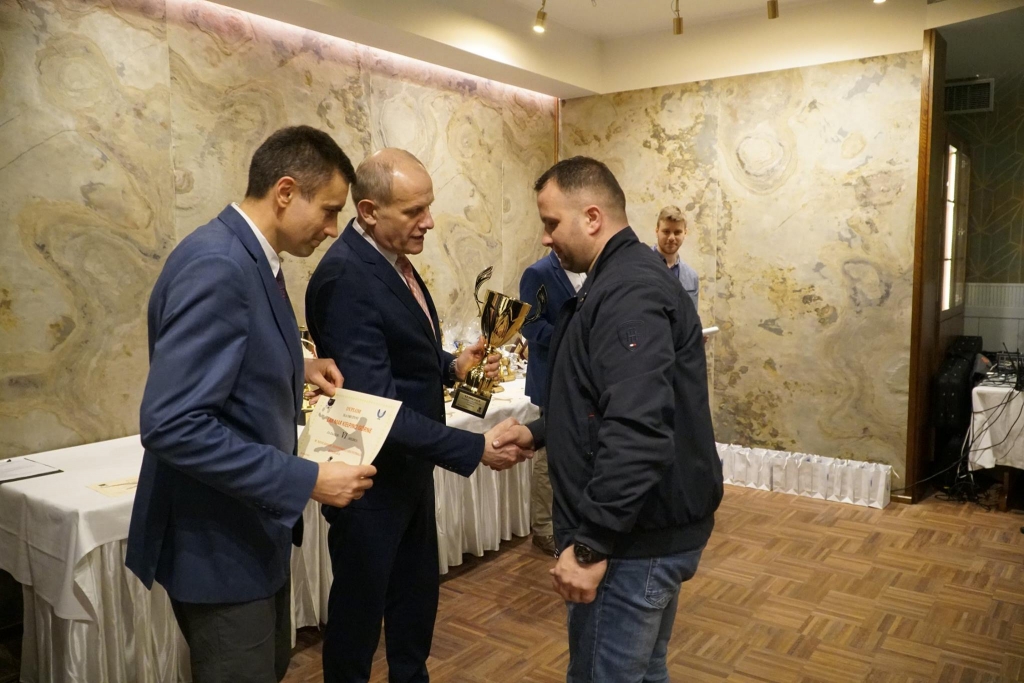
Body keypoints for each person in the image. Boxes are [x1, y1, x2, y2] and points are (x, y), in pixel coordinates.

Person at [126, 126, 377, 683]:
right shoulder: (218, 264)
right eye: (330, 211)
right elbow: (173, 425)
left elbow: (234, 352)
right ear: (285, 192)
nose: (333, 230)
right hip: (217, 543)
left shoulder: (252, 256)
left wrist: (298, 365)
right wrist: (308, 479)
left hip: (249, 528)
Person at [305, 148, 531, 683]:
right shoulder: (345, 277)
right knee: (359, 618)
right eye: (414, 211)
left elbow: (404, 353)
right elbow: (376, 406)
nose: (428, 221)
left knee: (414, 601)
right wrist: (475, 447)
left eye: (428, 206)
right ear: (368, 211)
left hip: (408, 473)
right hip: (368, 483)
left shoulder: (391, 259)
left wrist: (452, 365)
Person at [493, 156, 723, 682]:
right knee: (646, 672)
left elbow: (638, 428)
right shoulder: (621, 278)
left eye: (552, 222)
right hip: (644, 531)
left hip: (632, 541)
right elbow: (605, 399)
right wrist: (539, 431)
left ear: (592, 217)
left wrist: (591, 543)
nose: (546, 238)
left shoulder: (628, 290)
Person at [520, 251, 586, 557]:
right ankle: (543, 528)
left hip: (582, 378)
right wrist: (572, 336)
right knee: (548, 457)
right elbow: (529, 326)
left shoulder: (586, 266)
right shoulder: (537, 273)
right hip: (551, 378)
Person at [654, 205, 699, 312]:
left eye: (677, 232)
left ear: (685, 233)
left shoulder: (692, 277)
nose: (671, 238)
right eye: (666, 231)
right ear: (657, 231)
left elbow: (691, 318)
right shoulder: (640, 267)